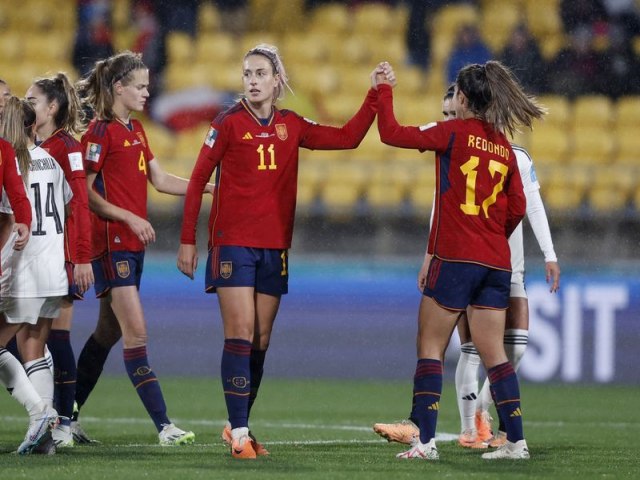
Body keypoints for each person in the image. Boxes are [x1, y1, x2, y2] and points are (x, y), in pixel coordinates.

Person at [177, 44, 386, 459]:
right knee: (239, 332)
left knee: (260, 339)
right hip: (233, 242)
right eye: (247, 74)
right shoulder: (227, 123)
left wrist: (375, 96)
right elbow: (199, 177)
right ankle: (239, 433)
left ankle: (239, 423)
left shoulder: (293, 124)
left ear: (276, 81)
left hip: (275, 246)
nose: (252, 80)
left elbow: (348, 138)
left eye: (259, 73)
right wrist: (188, 239)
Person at [374, 86, 561, 450]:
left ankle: (424, 441)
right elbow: (518, 206)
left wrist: (382, 91)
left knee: (431, 345)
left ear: (462, 100)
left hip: (458, 257)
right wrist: (493, 234)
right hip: (495, 261)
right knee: (495, 354)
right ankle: (513, 443)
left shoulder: (452, 134)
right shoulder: (505, 149)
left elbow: (390, 133)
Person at [72, 50, 207, 446]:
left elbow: (160, 179)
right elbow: (86, 190)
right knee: (137, 333)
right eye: (141, 86)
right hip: (113, 244)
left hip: (133, 246)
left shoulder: (136, 130)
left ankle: (65, 415)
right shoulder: (100, 132)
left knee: (107, 332)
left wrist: (208, 187)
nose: (148, 92)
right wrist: (128, 217)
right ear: (119, 88)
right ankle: (165, 426)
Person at [25, 72, 94, 448]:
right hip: (30, 258)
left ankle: (63, 422)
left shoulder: (67, 148)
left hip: (60, 258)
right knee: (29, 342)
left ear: (52, 107)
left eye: (32, 100)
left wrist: (82, 258)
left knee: (57, 337)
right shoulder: (26, 145)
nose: (26, 105)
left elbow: (80, 205)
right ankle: (46, 415)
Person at [0, 97, 67, 454]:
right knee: (35, 349)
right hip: (52, 269)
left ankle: (41, 412)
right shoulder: (52, 162)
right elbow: (66, 209)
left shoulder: (11, 164)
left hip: (22, 270)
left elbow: (9, 221)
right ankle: (46, 437)